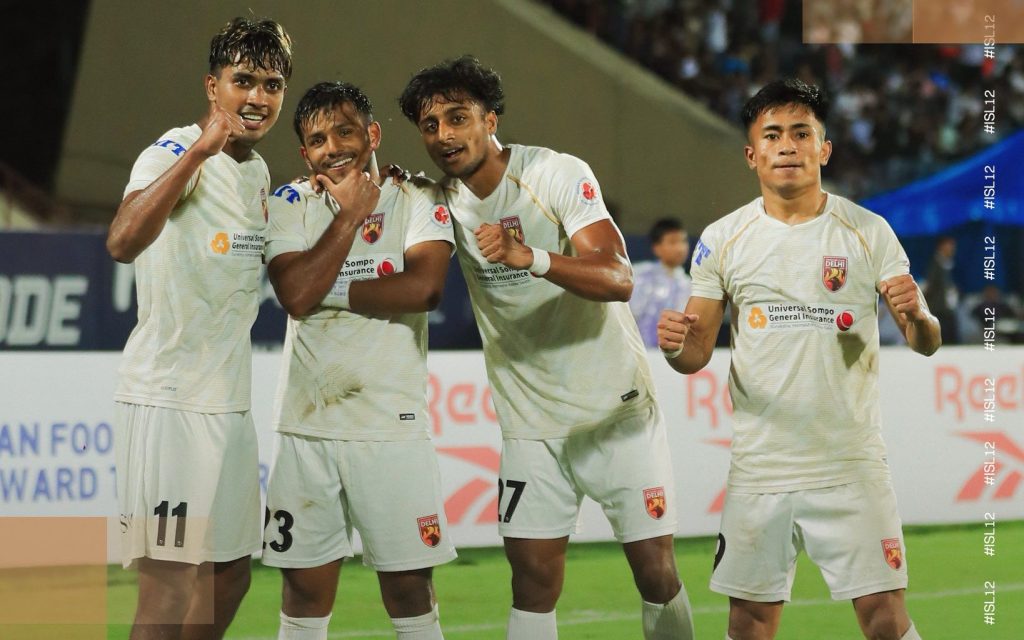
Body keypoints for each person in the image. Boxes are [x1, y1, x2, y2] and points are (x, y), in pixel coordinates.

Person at [399, 56, 695, 640]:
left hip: (615, 410)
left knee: (654, 571)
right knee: (531, 580)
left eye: (458, 118)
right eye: (430, 126)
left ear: (491, 119)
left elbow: (618, 277)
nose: (444, 136)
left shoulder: (555, 173)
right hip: (530, 421)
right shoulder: (439, 200)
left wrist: (527, 257)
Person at [657, 78, 941, 640]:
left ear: (823, 148)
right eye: (773, 135)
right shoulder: (723, 238)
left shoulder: (868, 231)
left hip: (849, 461)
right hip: (761, 467)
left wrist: (917, 319)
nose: (787, 145)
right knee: (750, 623)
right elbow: (695, 353)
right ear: (752, 153)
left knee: (884, 617)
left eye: (801, 133)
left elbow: (924, 339)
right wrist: (675, 344)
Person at [105, 17, 292, 640]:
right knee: (168, 590)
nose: (256, 98)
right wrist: (198, 153)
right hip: (171, 400)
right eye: (243, 80)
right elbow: (123, 240)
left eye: (271, 84)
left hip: (229, 404)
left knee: (231, 574)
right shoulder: (173, 149)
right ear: (213, 86)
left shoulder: (259, 173)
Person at [261, 81, 457, 640]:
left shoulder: (419, 197)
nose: (333, 147)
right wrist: (349, 218)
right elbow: (293, 294)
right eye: (317, 139)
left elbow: (424, 289)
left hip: (389, 428)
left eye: (345, 131)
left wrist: (326, 288)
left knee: (408, 589)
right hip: (307, 426)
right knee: (303, 588)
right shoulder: (288, 203)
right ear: (305, 153)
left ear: (372, 134)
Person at [630, 217, 693, 348]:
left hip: (669, 356)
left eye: (683, 241)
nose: (680, 248)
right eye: (672, 242)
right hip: (635, 349)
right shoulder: (637, 274)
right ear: (657, 248)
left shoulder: (689, 285)